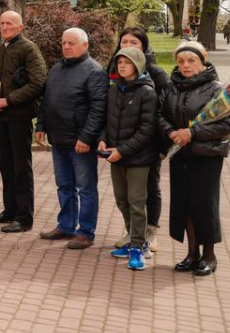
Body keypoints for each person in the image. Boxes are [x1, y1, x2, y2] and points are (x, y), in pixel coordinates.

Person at [160, 41, 230, 277]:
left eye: (191, 60)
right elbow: (161, 115)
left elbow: (226, 125)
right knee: (185, 204)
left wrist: (192, 132)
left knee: (204, 205)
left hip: (207, 155)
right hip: (180, 153)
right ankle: (192, 254)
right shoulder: (171, 87)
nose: (186, 65)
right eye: (181, 61)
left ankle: (209, 255)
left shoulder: (216, 88)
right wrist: (171, 132)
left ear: (203, 61)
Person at [35, 28, 108, 249]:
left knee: (85, 188)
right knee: (64, 186)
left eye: (71, 43)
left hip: (80, 143)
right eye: (64, 42)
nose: (66, 47)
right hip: (58, 140)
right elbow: (46, 101)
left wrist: (86, 138)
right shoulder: (57, 68)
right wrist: (41, 126)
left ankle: (85, 232)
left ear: (85, 45)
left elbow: (98, 109)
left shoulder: (94, 71)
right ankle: (66, 225)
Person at [108, 27, 170, 252]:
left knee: (148, 189)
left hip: (148, 147)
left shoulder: (156, 74)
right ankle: (135, 234)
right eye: (124, 41)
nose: (127, 45)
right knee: (126, 196)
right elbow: (111, 112)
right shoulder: (115, 74)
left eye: (133, 42)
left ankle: (148, 233)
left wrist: (163, 146)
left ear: (143, 46)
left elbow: (162, 114)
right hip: (122, 146)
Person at [99, 46, 159, 270]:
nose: (122, 65)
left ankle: (138, 248)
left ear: (138, 65)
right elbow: (107, 120)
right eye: (119, 61)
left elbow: (147, 130)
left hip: (138, 158)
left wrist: (122, 150)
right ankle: (135, 239)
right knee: (121, 199)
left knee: (136, 202)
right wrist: (103, 139)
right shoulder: (114, 89)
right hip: (117, 156)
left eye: (127, 62)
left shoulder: (147, 92)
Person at [0, 10, 48, 233]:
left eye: (10, 24)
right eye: (2, 23)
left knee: (21, 168)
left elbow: (38, 82)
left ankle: (24, 217)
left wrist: (9, 100)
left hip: (20, 116)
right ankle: (9, 210)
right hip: (2, 115)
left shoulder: (28, 48)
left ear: (20, 27)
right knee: (6, 166)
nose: (5, 27)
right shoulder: (2, 48)